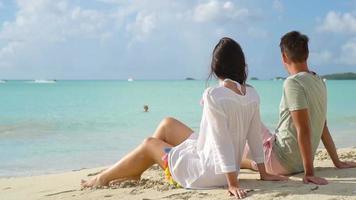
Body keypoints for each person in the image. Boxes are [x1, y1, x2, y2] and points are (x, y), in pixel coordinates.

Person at [81, 37, 286, 199]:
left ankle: (102, 178)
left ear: (216, 67)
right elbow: (253, 136)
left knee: (148, 143)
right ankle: (138, 170)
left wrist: (232, 184)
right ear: (242, 66)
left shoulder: (213, 95)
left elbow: (222, 142)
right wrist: (263, 172)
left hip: (206, 173)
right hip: (222, 166)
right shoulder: (252, 94)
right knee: (167, 124)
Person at [242, 31, 356, 185]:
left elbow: (303, 128)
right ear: (307, 55)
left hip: (280, 162)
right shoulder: (319, 81)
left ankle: (246, 163)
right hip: (299, 162)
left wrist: (309, 173)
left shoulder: (293, 83)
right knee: (252, 129)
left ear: (284, 57)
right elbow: (322, 126)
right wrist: (337, 162)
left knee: (245, 126)